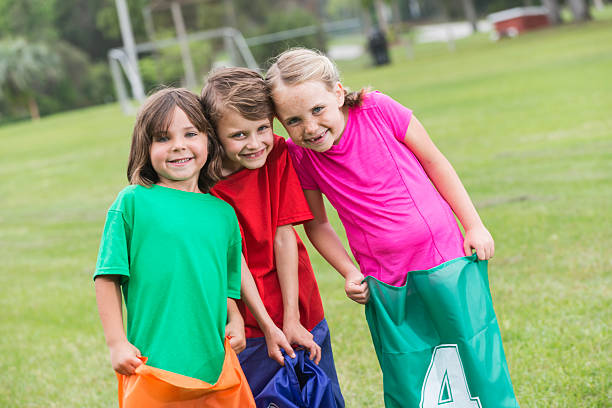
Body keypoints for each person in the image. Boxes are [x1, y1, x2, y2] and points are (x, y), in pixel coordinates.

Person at [266, 47, 494, 299]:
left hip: (443, 252)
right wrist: (349, 271)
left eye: (318, 109)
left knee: (462, 335)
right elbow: (317, 224)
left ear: (338, 94)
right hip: (383, 276)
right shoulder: (299, 155)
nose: (310, 128)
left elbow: (435, 162)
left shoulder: (377, 109)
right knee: (405, 340)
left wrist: (474, 226)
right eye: (294, 121)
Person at [94, 87, 253, 405]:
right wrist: (116, 343)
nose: (178, 146)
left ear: (208, 138)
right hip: (153, 366)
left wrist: (235, 319)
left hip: (213, 365)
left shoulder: (222, 214)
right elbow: (107, 276)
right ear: (145, 145)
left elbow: (223, 284)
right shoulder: (134, 202)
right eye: (163, 138)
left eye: (190, 133)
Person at [201, 67, 345, 407]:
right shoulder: (203, 184)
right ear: (213, 134)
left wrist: (291, 318)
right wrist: (268, 327)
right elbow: (234, 262)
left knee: (321, 395)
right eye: (239, 135)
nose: (255, 144)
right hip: (247, 323)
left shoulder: (278, 155)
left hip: (300, 305)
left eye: (263, 128)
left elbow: (284, 238)